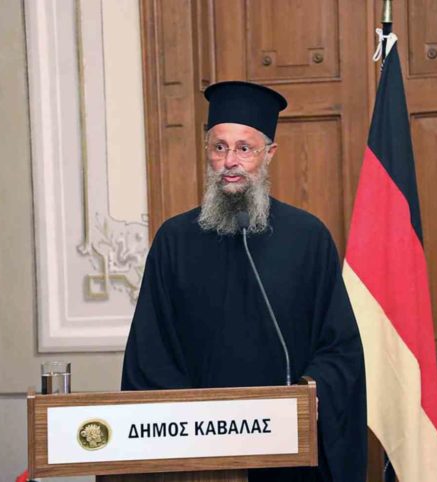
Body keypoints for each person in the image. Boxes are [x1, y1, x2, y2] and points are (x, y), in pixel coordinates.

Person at [121, 81, 367, 482]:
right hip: (200, 454)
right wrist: (192, 425)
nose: (230, 161)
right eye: (219, 147)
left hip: (288, 450)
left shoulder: (307, 238)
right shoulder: (174, 240)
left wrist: (311, 391)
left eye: (244, 148)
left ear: (269, 154)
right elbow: (150, 353)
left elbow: (338, 347)